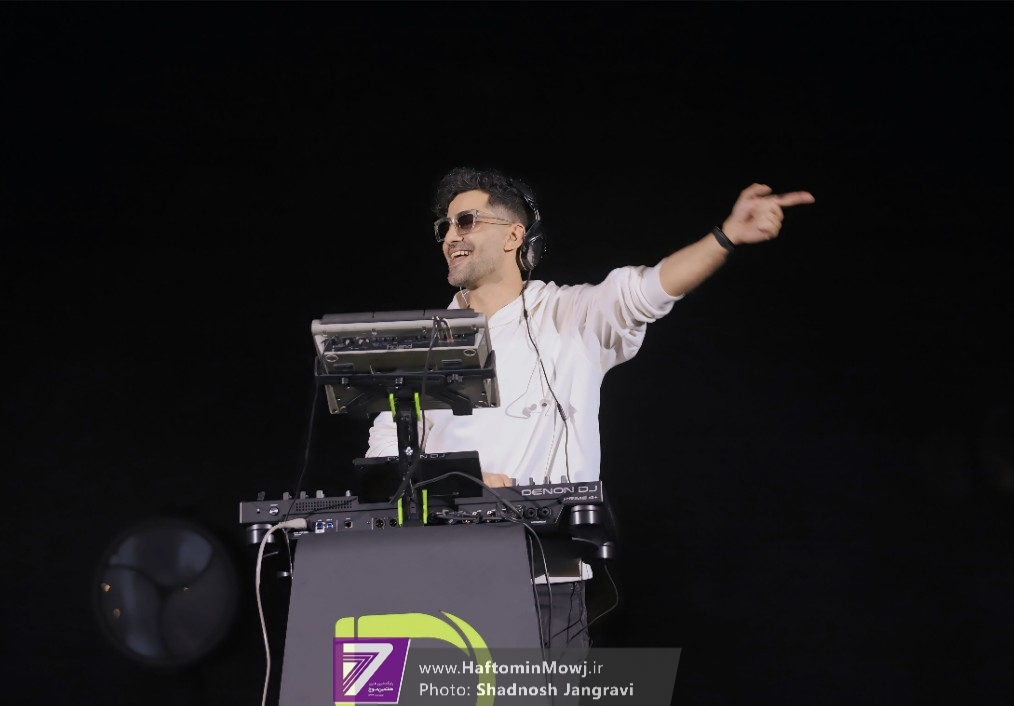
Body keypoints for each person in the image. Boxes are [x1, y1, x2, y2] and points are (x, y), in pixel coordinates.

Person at [364, 166, 815, 650]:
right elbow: (384, 458)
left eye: (467, 221)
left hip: (541, 584)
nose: (452, 236)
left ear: (514, 236)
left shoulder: (571, 316)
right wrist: (466, 483)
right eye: (446, 226)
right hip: (433, 582)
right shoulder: (423, 342)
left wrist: (725, 237)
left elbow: (648, 290)